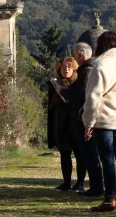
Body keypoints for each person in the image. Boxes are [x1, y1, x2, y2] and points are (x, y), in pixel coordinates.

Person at [58, 43, 103, 196]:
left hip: (84, 119)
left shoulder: (86, 71)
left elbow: (81, 95)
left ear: (81, 55)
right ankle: (96, 186)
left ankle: (96, 187)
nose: (75, 59)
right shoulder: (93, 68)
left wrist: (64, 92)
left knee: (89, 155)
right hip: (86, 119)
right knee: (89, 155)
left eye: (76, 56)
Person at [83, 31, 116, 212]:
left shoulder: (100, 65)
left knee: (108, 162)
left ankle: (110, 198)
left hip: (105, 121)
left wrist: (88, 123)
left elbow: (93, 98)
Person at [48, 57, 86, 191]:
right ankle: (66, 182)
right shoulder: (55, 83)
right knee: (64, 153)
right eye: (64, 67)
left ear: (74, 68)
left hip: (76, 123)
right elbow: (51, 106)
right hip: (61, 123)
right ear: (59, 68)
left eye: (69, 67)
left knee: (79, 154)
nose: (66, 69)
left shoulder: (78, 83)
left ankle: (80, 183)